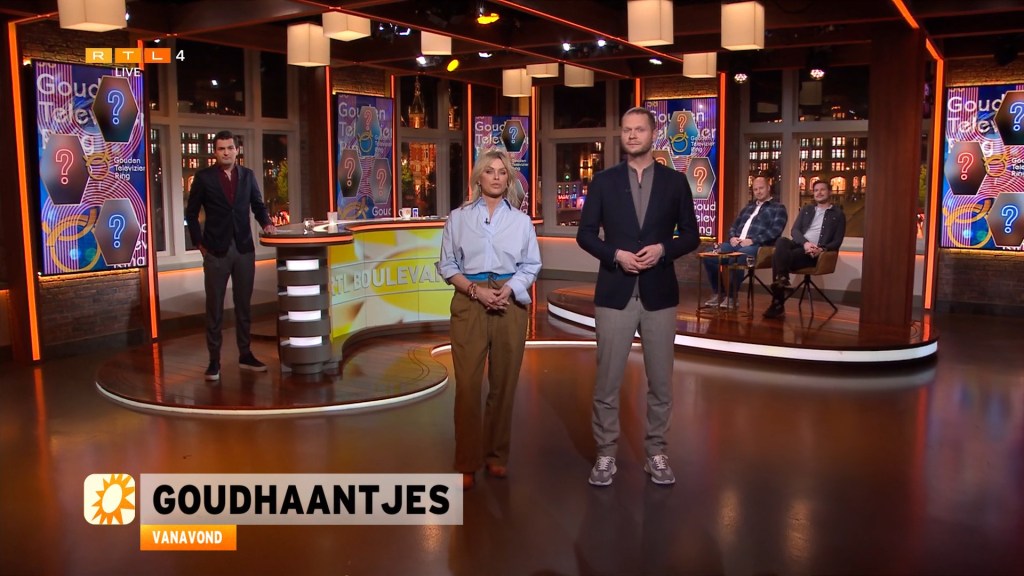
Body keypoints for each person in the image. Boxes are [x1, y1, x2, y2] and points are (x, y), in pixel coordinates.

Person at [576, 107, 700, 486]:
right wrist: (615, 255)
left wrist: (663, 249)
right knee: (607, 383)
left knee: (661, 382)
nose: (632, 135)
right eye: (627, 130)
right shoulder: (604, 181)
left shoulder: (675, 182)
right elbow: (585, 234)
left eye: (639, 129)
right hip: (615, 292)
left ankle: (657, 453)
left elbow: (691, 236)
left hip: (659, 294)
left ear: (653, 133)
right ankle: (605, 455)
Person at [436, 148, 541, 490]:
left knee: (504, 384)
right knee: (467, 386)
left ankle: (497, 455)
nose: (496, 177)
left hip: (510, 301)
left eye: (502, 172)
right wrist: (475, 291)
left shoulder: (521, 222)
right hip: (470, 299)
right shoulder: (458, 218)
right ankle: (467, 460)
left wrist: (509, 289)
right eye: (489, 171)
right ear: (478, 177)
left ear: (508, 179)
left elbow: (531, 264)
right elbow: (447, 265)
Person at [185, 130, 276, 381]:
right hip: (216, 251)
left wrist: (267, 223)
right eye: (221, 148)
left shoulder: (247, 176)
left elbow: (258, 206)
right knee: (214, 307)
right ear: (215, 152)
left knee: (243, 306)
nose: (226, 152)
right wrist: (199, 243)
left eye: (230, 148)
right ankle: (214, 361)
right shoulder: (204, 178)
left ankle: (245, 354)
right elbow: (191, 213)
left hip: (244, 249)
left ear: (237, 150)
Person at [763, 180, 846, 319]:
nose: (819, 193)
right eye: (816, 190)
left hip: (814, 253)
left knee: (778, 257)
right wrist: (805, 243)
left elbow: (837, 241)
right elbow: (795, 231)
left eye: (822, 190)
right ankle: (782, 279)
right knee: (781, 241)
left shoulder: (838, 214)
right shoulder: (807, 209)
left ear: (830, 192)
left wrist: (821, 249)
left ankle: (777, 301)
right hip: (801, 245)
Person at [701, 176, 787, 309]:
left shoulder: (778, 208)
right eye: (755, 189)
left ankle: (732, 298)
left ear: (768, 188)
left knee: (736, 257)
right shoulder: (748, 207)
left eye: (761, 188)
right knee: (708, 256)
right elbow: (733, 226)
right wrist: (732, 237)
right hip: (736, 244)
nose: (758, 192)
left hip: (758, 247)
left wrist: (752, 240)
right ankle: (719, 293)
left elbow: (775, 231)